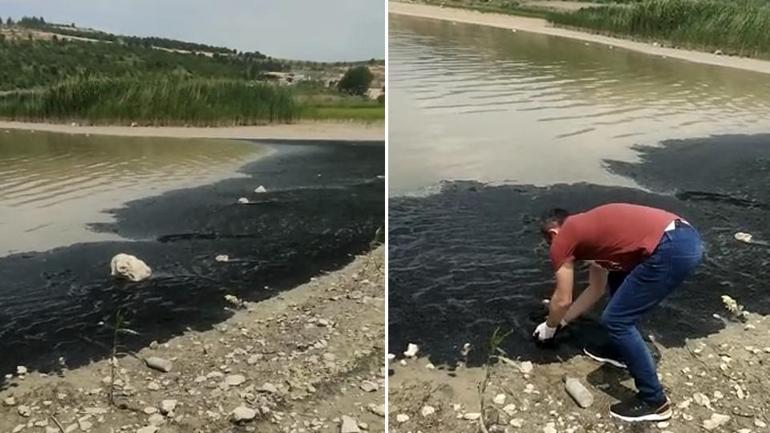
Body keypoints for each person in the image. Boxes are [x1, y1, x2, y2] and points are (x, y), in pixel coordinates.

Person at [532, 203, 703, 422]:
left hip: (672, 247)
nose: (552, 249)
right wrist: (563, 322)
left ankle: (654, 401)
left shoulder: (564, 236)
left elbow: (563, 299)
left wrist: (549, 327)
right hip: (681, 237)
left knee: (616, 320)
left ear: (553, 233)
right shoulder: (591, 233)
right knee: (617, 282)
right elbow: (595, 289)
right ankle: (622, 353)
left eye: (549, 243)